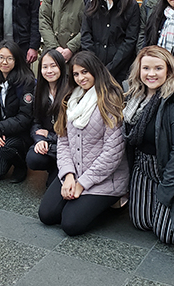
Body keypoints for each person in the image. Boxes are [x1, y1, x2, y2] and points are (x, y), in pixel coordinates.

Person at [37, 51, 129, 236]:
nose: (80, 78)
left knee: (71, 225)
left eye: (85, 72)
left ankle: (111, 204)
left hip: (103, 178)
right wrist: (68, 175)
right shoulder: (71, 99)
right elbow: (63, 142)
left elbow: (113, 153)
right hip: (75, 170)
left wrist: (82, 184)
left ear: (95, 70)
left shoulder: (110, 100)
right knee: (47, 215)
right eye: (76, 74)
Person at [124, 46, 174, 244]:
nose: (151, 74)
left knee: (167, 235)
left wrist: (165, 193)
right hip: (142, 165)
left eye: (158, 68)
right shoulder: (134, 95)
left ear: (169, 70)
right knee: (140, 222)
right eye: (146, 68)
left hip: (167, 169)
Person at [0, 40, 35, 182]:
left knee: (5, 150)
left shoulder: (26, 82)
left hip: (20, 134)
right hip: (0, 132)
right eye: (1, 57)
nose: (4, 62)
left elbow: (25, 117)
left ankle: (20, 164)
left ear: (16, 60)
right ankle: (3, 152)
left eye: (9, 58)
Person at [80, 0, 139, 82]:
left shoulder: (131, 5)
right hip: (93, 68)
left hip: (120, 70)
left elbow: (130, 40)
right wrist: (94, 65)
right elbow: (86, 34)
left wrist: (111, 68)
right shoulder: (92, 2)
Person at [26, 49, 69, 187]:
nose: (49, 70)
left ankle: (61, 168)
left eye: (53, 66)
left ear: (61, 67)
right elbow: (35, 122)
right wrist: (39, 140)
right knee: (33, 158)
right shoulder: (38, 89)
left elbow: (73, 133)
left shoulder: (71, 90)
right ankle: (53, 167)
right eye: (45, 67)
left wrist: (49, 137)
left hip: (67, 144)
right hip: (50, 144)